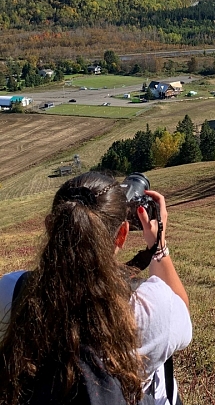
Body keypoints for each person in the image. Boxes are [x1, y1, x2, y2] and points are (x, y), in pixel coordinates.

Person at [0, 172, 192, 405]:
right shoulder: (150, 307)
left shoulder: (11, 290)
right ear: (122, 234)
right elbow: (181, 308)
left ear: (51, 228)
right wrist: (158, 245)